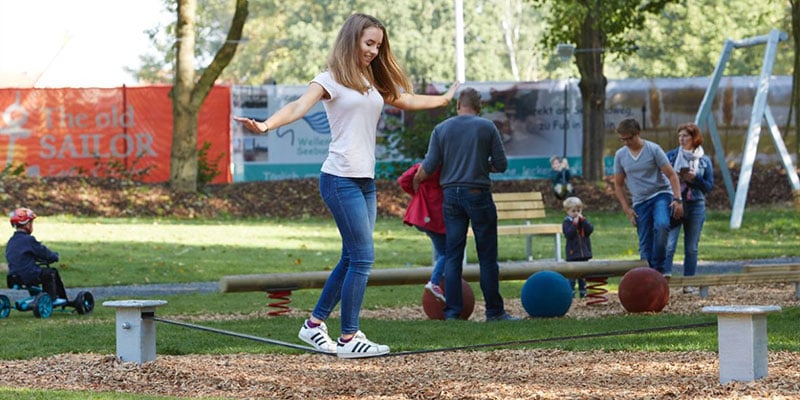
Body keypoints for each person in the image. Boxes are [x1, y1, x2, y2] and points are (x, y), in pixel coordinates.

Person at [235, 13, 457, 358]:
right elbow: (297, 106)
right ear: (352, 39)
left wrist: (443, 100)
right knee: (364, 257)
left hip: (364, 180)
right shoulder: (329, 80)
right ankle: (349, 337)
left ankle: (312, 326)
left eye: (378, 45)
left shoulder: (370, 81)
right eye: (369, 43)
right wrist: (266, 126)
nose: (374, 50)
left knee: (352, 256)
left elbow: (406, 99)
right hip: (339, 178)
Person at [413, 87, 519, 322]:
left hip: (450, 197)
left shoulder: (441, 129)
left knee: (452, 255)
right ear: (479, 108)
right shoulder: (486, 127)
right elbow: (501, 164)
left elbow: (429, 166)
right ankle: (494, 311)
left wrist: (415, 181)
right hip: (477, 193)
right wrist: (482, 166)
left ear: (458, 105)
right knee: (487, 256)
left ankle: (452, 312)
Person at [613, 117, 683, 277]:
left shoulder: (653, 149)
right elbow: (618, 184)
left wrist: (677, 199)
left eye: (629, 138)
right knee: (644, 240)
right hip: (640, 200)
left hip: (660, 194)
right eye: (622, 139)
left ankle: (659, 267)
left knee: (662, 225)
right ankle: (647, 276)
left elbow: (672, 175)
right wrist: (627, 209)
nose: (626, 142)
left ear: (638, 133)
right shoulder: (620, 155)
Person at [664, 123, 714, 293]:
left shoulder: (704, 160)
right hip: (676, 203)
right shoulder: (670, 156)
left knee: (691, 247)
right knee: (669, 244)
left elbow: (709, 186)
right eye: (680, 136)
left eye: (685, 136)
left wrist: (695, 178)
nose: (682, 139)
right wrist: (675, 177)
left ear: (694, 138)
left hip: (696, 205)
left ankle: (689, 283)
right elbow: (661, 179)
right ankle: (665, 281)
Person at [397, 163, 446, 302]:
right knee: (447, 252)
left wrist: (417, 193)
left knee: (441, 250)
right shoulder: (445, 167)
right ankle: (435, 282)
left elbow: (403, 180)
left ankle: (440, 280)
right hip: (435, 217)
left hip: (420, 215)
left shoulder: (422, 167)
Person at [5, 208, 68, 302]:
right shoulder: (29, 240)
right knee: (51, 273)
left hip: (13, 276)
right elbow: (43, 252)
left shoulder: (11, 241)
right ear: (27, 224)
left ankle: (37, 297)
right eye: (31, 223)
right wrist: (54, 256)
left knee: (35, 270)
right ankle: (52, 299)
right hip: (28, 275)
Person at [562, 196, 593, 298]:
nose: (576, 213)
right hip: (573, 254)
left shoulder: (583, 221)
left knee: (583, 276)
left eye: (578, 210)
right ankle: (570, 294)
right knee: (572, 276)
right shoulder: (567, 222)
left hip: (583, 254)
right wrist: (574, 225)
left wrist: (583, 221)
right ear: (567, 211)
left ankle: (583, 293)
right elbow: (568, 234)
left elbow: (589, 230)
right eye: (573, 211)